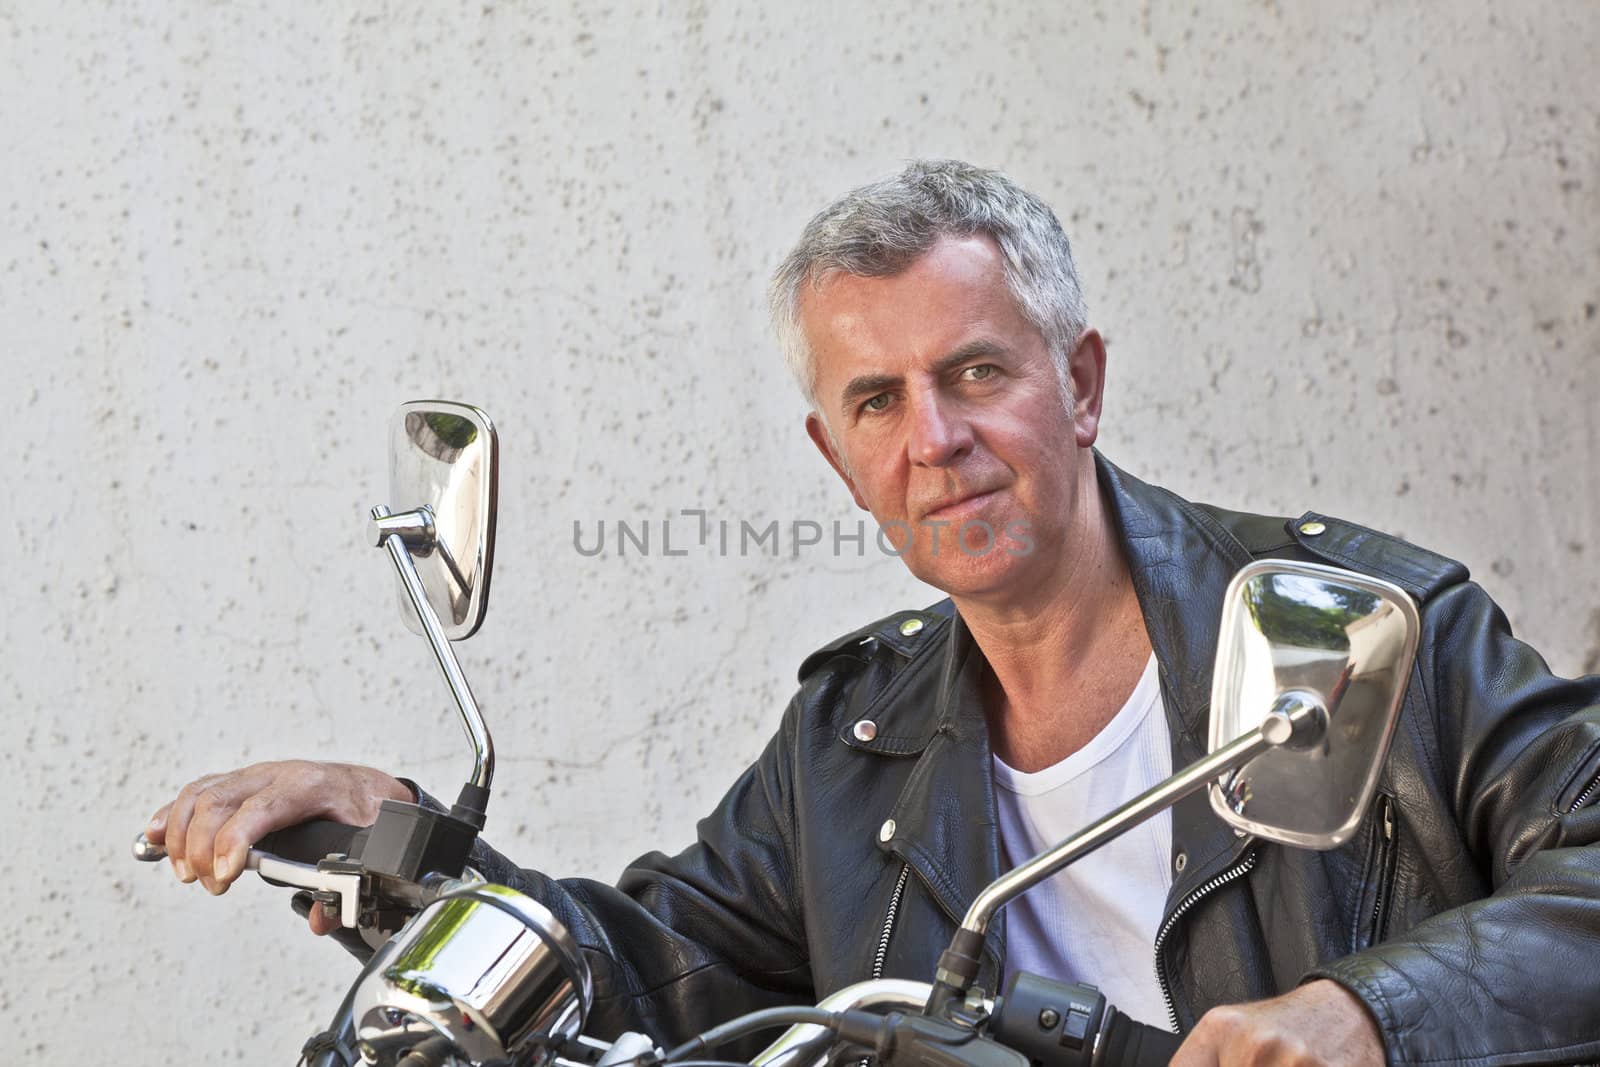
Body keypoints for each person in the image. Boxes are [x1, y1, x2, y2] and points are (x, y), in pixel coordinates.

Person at [146, 160, 1600, 1066]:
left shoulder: (1356, 633)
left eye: (976, 374)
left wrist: (1373, 1020)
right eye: (876, 402)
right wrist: (408, 845)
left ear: (1079, 385)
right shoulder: (850, 741)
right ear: (838, 460)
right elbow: (646, 975)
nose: (935, 439)